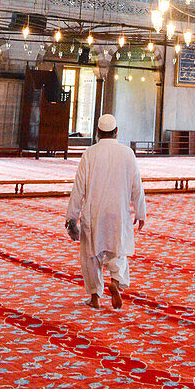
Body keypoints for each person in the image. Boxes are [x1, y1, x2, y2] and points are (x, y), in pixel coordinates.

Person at [65, 113, 146, 309]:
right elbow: (137, 185)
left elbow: (79, 188)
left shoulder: (90, 154)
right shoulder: (127, 153)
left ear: (98, 133)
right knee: (118, 251)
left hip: (94, 213)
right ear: (116, 132)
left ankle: (94, 298)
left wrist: (71, 218)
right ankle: (115, 282)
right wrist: (140, 212)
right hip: (118, 213)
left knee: (91, 255)